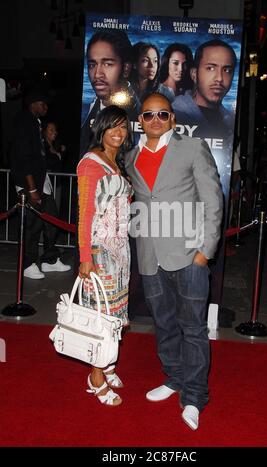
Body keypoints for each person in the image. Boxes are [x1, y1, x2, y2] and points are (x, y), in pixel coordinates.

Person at [125, 93, 223, 430]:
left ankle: (194, 396)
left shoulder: (193, 148)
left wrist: (205, 251)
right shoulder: (132, 157)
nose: (155, 119)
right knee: (164, 324)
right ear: (140, 119)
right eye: (148, 114)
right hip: (151, 257)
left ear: (173, 119)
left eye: (162, 114)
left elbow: (213, 199)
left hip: (189, 255)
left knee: (193, 327)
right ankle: (174, 377)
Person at [77, 105, 133, 406]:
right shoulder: (91, 163)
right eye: (113, 126)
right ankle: (95, 377)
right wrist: (85, 257)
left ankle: (108, 363)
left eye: (123, 127)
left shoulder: (116, 162)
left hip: (120, 251)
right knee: (103, 317)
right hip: (99, 253)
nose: (119, 133)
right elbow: (85, 215)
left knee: (116, 315)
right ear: (101, 129)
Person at [10, 91, 71, 279]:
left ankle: (49, 260)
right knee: (32, 226)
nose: (46, 108)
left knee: (51, 219)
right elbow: (22, 157)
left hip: (40, 184)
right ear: (33, 103)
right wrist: (32, 189)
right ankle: (27, 264)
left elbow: (41, 158)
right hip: (29, 186)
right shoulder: (24, 122)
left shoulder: (34, 123)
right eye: (43, 104)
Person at [80, 30, 138, 157]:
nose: (97, 74)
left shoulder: (140, 113)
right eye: (92, 65)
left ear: (126, 68)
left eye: (107, 64)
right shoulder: (88, 109)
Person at [173, 39, 237, 142]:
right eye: (210, 68)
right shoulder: (171, 115)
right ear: (194, 74)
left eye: (227, 70)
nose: (219, 78)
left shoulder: (231, 121)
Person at [129, 42, 160, 110]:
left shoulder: (164, 92)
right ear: (135, 64)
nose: (152, 66)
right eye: (145, 61)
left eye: (155, 61)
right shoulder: (126, 88)